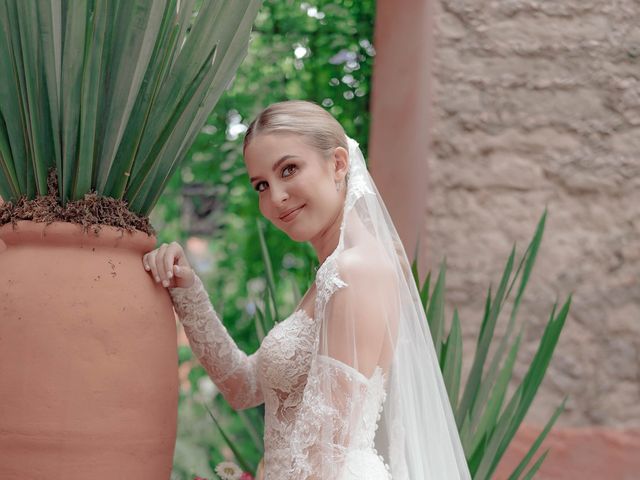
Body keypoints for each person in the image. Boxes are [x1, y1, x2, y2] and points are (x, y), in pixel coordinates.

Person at [143, 100, 471, 479]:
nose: (275, 197)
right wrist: (188, 291)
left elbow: (325, 454)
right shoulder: (330, 276)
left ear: (338, 164)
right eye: (261, 185)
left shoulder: (357, 270)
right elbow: (244, 387)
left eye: (289, 169)